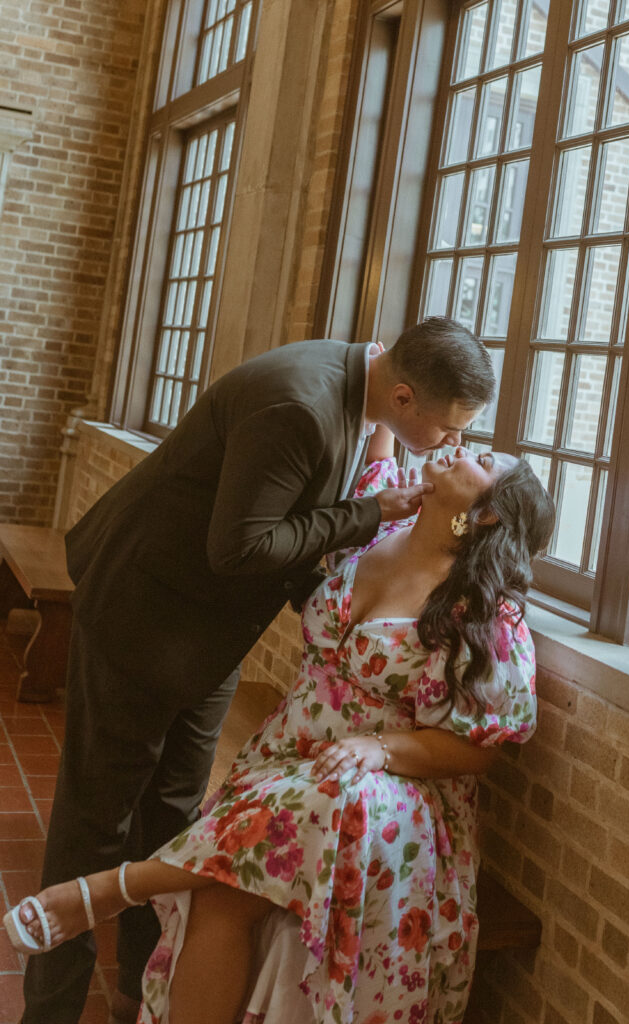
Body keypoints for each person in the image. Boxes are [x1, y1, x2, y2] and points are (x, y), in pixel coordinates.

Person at [19, 317, 496, 1024]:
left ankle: (141, 990)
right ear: (402, 397)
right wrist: (364, 515)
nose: (449, 445)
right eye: (447, 430)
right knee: (96, 816)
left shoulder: (362, 408)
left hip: (207, 633)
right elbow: (240, 550)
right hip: (141, 611)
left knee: (175, 812)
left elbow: (288, 541)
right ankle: (50, 1010)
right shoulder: (299, 406)